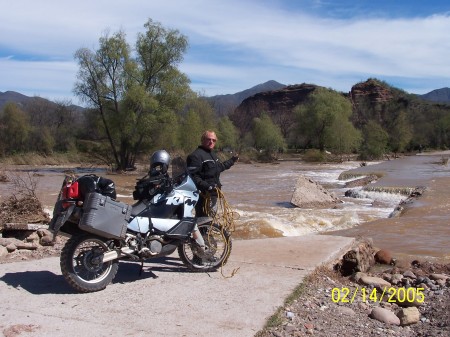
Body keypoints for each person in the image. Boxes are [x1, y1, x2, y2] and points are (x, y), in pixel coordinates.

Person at [187, 130, 238, 253]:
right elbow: (193, 177)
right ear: (203, 140)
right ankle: (199, 256)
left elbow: (219, 168)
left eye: (214, 140)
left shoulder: (212, 155)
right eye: (209, 139)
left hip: (213, 196)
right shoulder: (196, 156)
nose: (211, 142)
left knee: (208, 225)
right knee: (203, 225)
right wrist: (207, 187)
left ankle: (205, 252)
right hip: (203, 197)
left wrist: (232, 160)